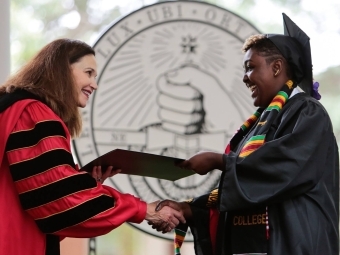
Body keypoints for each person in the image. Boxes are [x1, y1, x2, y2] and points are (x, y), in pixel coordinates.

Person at [153, 13, 339, 255]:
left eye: (251, 67)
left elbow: (283, 168)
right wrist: (191, 209)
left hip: (294, 243)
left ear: (277, 67)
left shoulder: (308, 113)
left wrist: (219, 161)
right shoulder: (257, 124)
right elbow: (245, 187)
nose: (244, 77)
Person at [0, 38, 185, 255]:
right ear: (62, 71)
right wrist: (142, 209)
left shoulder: (11, 108)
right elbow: (57, 202)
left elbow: (44, 204)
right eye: (88, 73)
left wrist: (83, 184)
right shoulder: (33, 114)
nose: (94, 84)